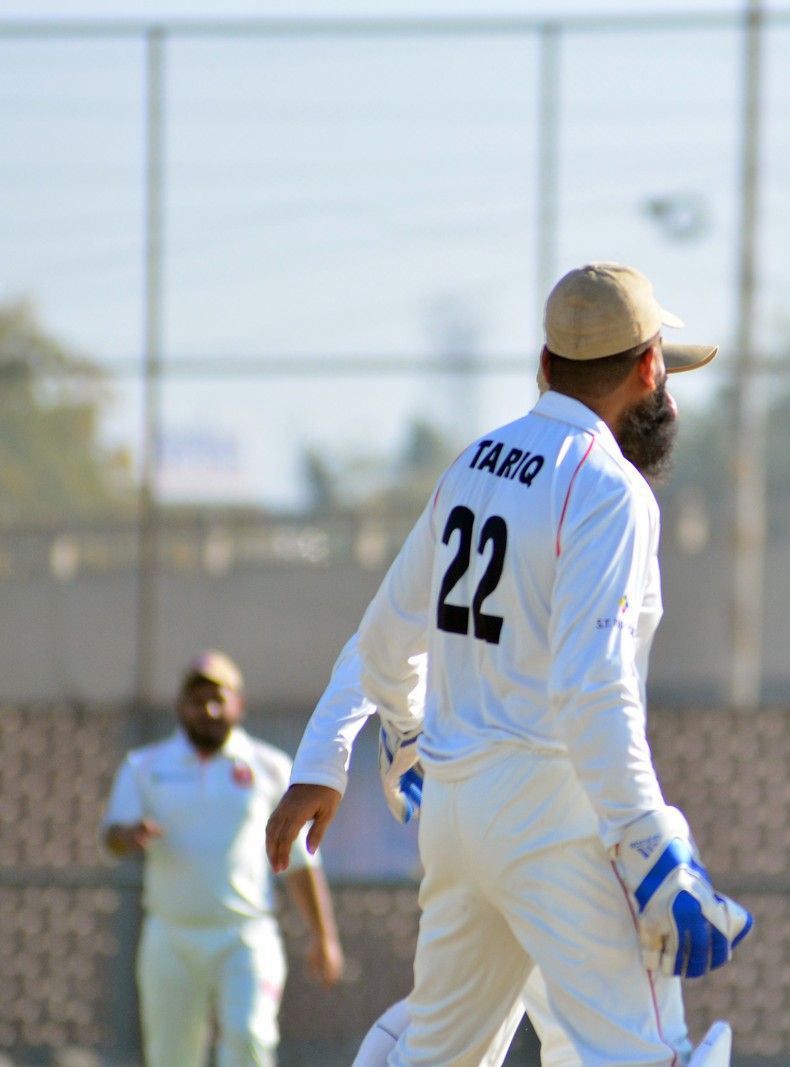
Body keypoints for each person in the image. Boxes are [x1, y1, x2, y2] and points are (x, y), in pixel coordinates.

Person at [277, 262, 751, 1066]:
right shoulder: (610, 488)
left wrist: (387, 739)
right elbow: (591, 687)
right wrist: (649, 842)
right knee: (648, 1054)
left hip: (456, 813)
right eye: (667, 370)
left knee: (439, 1055)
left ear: (544, 364)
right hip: (553, 811)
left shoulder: (472, 465)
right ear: (647, 368)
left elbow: (385, 638)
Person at [266, 634, 583, 1067]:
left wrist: (329, 760)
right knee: (592, 1031)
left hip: (490, 804)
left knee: (456, 1029)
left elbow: (387, 632)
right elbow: (386, 633)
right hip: (521, 808)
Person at [102, 650, 344, 1067]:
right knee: (171, 1058)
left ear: (239, 704)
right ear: (181, 706)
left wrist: (324, 937)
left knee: (249, 1039)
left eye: (218, 699)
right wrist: (128, 835)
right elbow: (111, 837)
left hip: (244, 935)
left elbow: (303, 863)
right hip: (172, 936)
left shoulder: (270, 766)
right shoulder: (144, 766)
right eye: (197, 701)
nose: (208, 710)